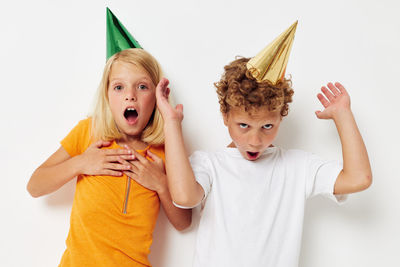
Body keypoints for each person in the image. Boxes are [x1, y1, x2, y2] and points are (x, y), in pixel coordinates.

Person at [155, 21, 372, 267]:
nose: (255, 141)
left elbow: (359, 178)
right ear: (225, 116)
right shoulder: (210, 164)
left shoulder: (296, 166)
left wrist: (343, 115)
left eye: (267, 127)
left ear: (281, 117)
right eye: (244, 126)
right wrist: (171, 123)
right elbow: (184, 197)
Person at [27, 14, 192, 266]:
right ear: (106, 94)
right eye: (119, 87)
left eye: (142, 87)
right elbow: (35, 186)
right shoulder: (88, 133)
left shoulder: (164, 150)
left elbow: (184, 222)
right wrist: (82, 163)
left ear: (157, 97)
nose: (130, 97)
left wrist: (161, 183)